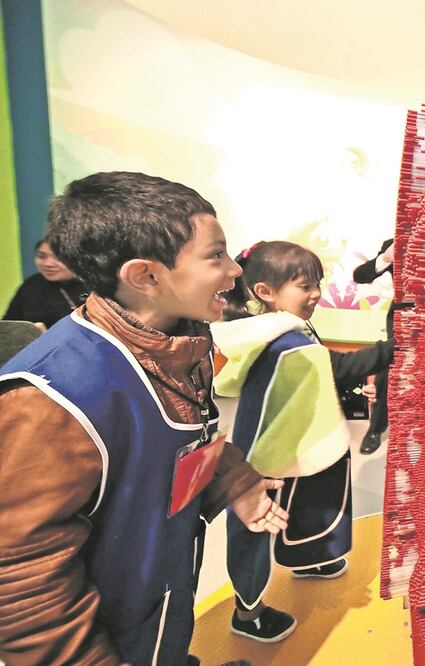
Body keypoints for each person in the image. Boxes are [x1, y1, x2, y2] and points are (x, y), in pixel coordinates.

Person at [0, 171, 288, 666]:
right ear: (146, 277)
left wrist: (235, 481)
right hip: (103, 637)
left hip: (159, 597)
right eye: (215, 255)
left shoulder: (180, 341)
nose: (233, 271)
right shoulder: (47, 399)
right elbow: (22, 579)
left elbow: (177, 442)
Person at [213, 240, 394, 642]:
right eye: (304, 286)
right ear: (265, 291)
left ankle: (306, 559)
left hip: (285, 442)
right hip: (266, 454)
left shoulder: (276, 330)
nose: (316, 294)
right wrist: (395, 349)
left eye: (317, 283)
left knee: (303, 507)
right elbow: (341, 369)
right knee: (258, 526)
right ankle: (249, 612)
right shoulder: (286, 341)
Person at [352, 238, 395, 454]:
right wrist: (386, 258)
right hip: (403, 315)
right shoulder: (394, 243)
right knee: (386, 369)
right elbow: (360, 275)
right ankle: (375, 429)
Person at [3, 239, 86, 328]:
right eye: (42, 256)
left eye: (59, 258)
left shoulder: (97, 286)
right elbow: (8, 328)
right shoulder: (32, 284)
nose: (48, 264)